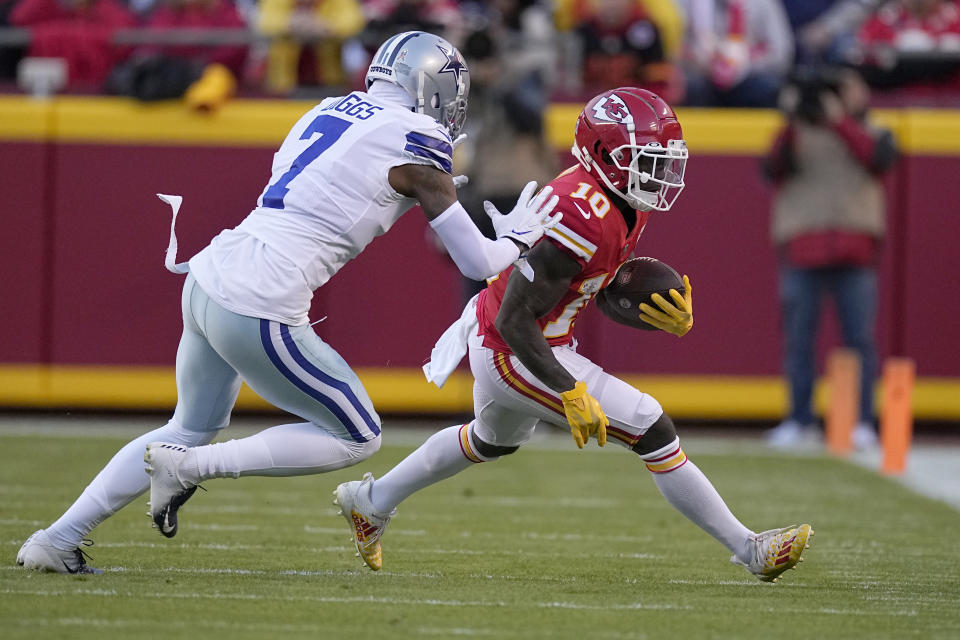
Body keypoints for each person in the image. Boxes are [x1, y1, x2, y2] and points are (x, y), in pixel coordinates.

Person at [16, 30, 561, 575]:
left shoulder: (329, 109)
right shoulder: (416, 135)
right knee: (357, 436)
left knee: (186, 427)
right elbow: (475, 263)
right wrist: (513, 239)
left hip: (210, 274)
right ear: (430, 86)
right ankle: (188, 469)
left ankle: (57, 538)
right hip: (260, 299)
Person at [333, 87, 814, 582]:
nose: (656, 175)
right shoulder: (584, 212)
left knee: (489, 441)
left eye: (661, 162)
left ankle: (371, 502)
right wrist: (568, 389)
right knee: (652, 427)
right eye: (644, 161)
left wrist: (651, 313)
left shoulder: (621, 196)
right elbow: (515, 321)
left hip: (518, 334)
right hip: (514, 346)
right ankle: (750, 548)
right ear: (605, 156)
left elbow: (594, 287)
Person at [762, 67, 897, 450]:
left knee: (860, 340)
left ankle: (862, 421)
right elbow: (773, 166)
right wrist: (791, 119)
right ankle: (799, 418)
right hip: (804, 247)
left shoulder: (874, 130)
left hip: (855, 250)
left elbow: (878, 159)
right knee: (799, 340)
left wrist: (838, 120)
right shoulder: (795, 134)